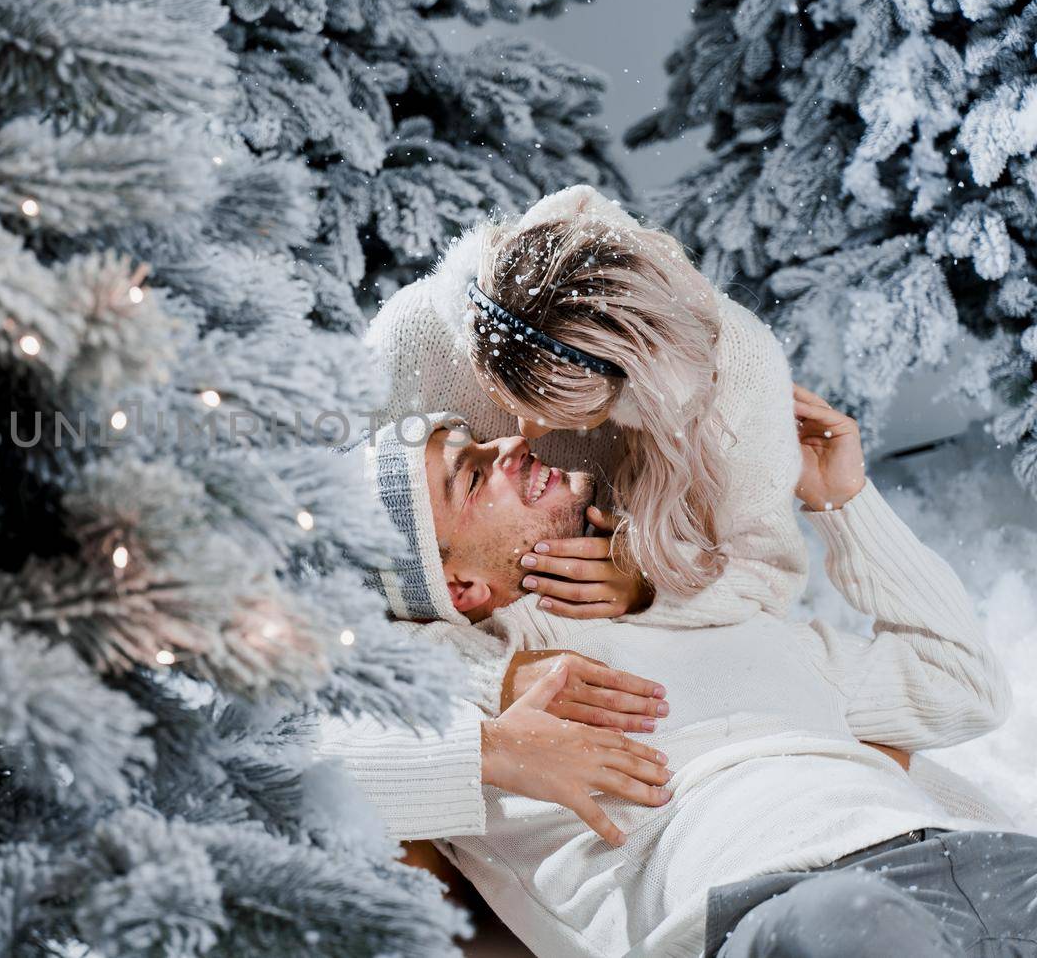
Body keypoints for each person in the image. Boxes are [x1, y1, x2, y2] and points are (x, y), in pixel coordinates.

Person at [319, 400, 1026, 957]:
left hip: (979, 868)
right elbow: (291, 766)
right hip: (788, 906)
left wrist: (846, 501)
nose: (509, 448)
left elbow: (960, 683)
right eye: (473, 475)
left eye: (482, 442)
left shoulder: (712, 615)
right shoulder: (459, 683)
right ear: (459, 585)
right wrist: (496, 752)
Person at [366, 183, 806, 624]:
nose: (523, 436)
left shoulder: (741, 376)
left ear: (637, 396)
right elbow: (350, 573)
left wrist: (650, 586)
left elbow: (770, 578)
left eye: (564, 415)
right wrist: (499, 679)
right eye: (499, 392)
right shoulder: (414, 337)